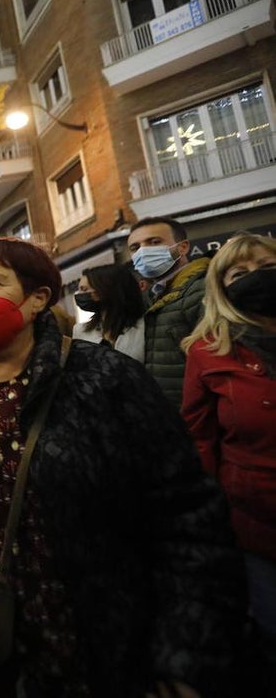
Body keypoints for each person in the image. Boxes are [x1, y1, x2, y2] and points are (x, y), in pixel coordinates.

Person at [0, 237, 247, 696]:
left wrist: (185, 650)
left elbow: (184, 514)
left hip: (87, 631)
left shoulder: (103, 378)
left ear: (37, 298)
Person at [182, 233, 276, 642]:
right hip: (256, 523)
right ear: (221, 288)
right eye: (240, 273)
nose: (256, 278)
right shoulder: (208, 352)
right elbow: (200, 441)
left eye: (268, 268)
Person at [128, 215, 208, 407]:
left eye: (154, 242)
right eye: (135, 248)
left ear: (182, 247)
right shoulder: (154, 295)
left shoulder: (202, 289)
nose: (143, 251)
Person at [72, 262, 146, 361]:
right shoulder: (80, 331)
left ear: (105, 290)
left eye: (84, 290)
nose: (79, 295)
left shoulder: (144, 325)